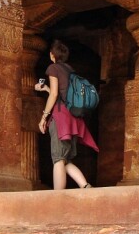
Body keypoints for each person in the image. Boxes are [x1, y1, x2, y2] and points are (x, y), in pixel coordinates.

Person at [34, 40, 99, 190]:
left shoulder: (53, 68)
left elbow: (55, 95)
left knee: (58, 159)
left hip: (61, 118)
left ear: (52, 55)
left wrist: (44, 117)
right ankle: (85, 185)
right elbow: (61, 95)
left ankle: (58, 198)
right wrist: (46, 89)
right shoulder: (70, 70)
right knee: (66, 159)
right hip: (74, 118)